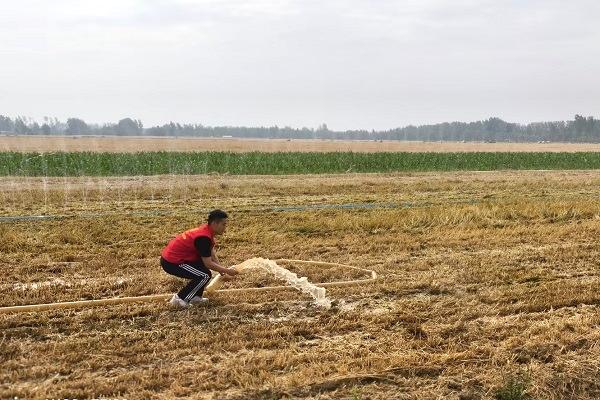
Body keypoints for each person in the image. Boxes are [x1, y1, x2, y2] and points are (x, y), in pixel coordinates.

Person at [160, 209, 238, 308]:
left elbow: (211, 253)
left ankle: (195, 297)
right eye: (223, 224)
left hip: (179, 258)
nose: (225, 227)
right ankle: (179, 299)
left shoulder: (206, 231)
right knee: (204, 275)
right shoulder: (203, 238)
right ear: (214, 223)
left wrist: (222, 272)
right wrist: (227, 270)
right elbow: (208, 263)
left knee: (204, 272)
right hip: (172, 262)